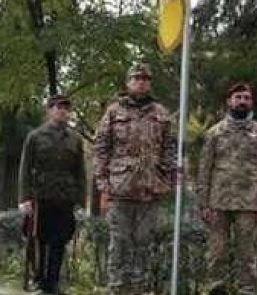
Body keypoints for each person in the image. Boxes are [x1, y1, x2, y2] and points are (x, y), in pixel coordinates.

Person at [93, 63, 176, 295]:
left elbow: (170, 148)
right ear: (128, 83)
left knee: (144, 244)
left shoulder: (161, 113)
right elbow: (100, 147)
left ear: (150, 83)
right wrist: (103, 183)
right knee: (119, 243)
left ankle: (139, 289)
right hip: (120, 189)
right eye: (136, 78)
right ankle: (117, 289)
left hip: (150, 191)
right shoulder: (113, 112)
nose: (141, 82)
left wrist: (167, 179)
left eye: (145, 79)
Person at [197, 82, 257, 295]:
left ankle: (248, 290)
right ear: (229, 101)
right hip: (218, 202)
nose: (242, 101)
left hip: (249, 203)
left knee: (247, 254)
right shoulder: (214, 133)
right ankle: (216, 289)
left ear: (251, 102)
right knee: (216, 252)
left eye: (246, 98)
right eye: (238, 97)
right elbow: (204, 169)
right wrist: (203, 203)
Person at [18, 94, 86, 295]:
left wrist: (81, 201)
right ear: (49, 110)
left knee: (60, 241)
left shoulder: (75, 139)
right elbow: (25, 169)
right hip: (41, 196)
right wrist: (24, 198)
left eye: (65, 108)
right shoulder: (36, 136)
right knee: (39, 239)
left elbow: (80, 172)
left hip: (65, 198)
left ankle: (53, 282)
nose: (62, 111)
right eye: (57, 107)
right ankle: (39, 280)